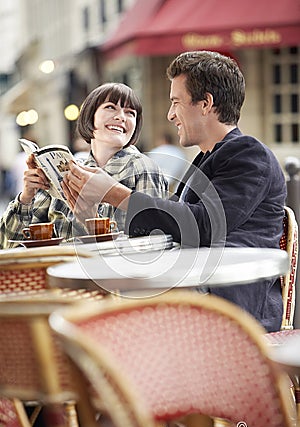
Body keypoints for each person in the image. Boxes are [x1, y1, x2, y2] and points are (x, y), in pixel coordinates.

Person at [63, 51, 287, 332]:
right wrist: (89, 209)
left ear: (205, 104)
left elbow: (204, 224)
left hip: (229, 306)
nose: (170, 115)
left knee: (104, 315)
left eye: (176, 102)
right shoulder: (206, 159)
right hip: (194, 291)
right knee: (93, 305)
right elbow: (168, 227)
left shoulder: (248, 153)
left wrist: (113, 193)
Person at [0, 82, 168, 249]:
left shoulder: (142, 168)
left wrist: (93, 221)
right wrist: (26, 197)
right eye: (111, 107)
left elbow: (152, 246)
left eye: (130, 113)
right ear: (90, 116)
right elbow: (8, 244)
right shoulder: (68, 169)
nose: (121, 117)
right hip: (58, 271)